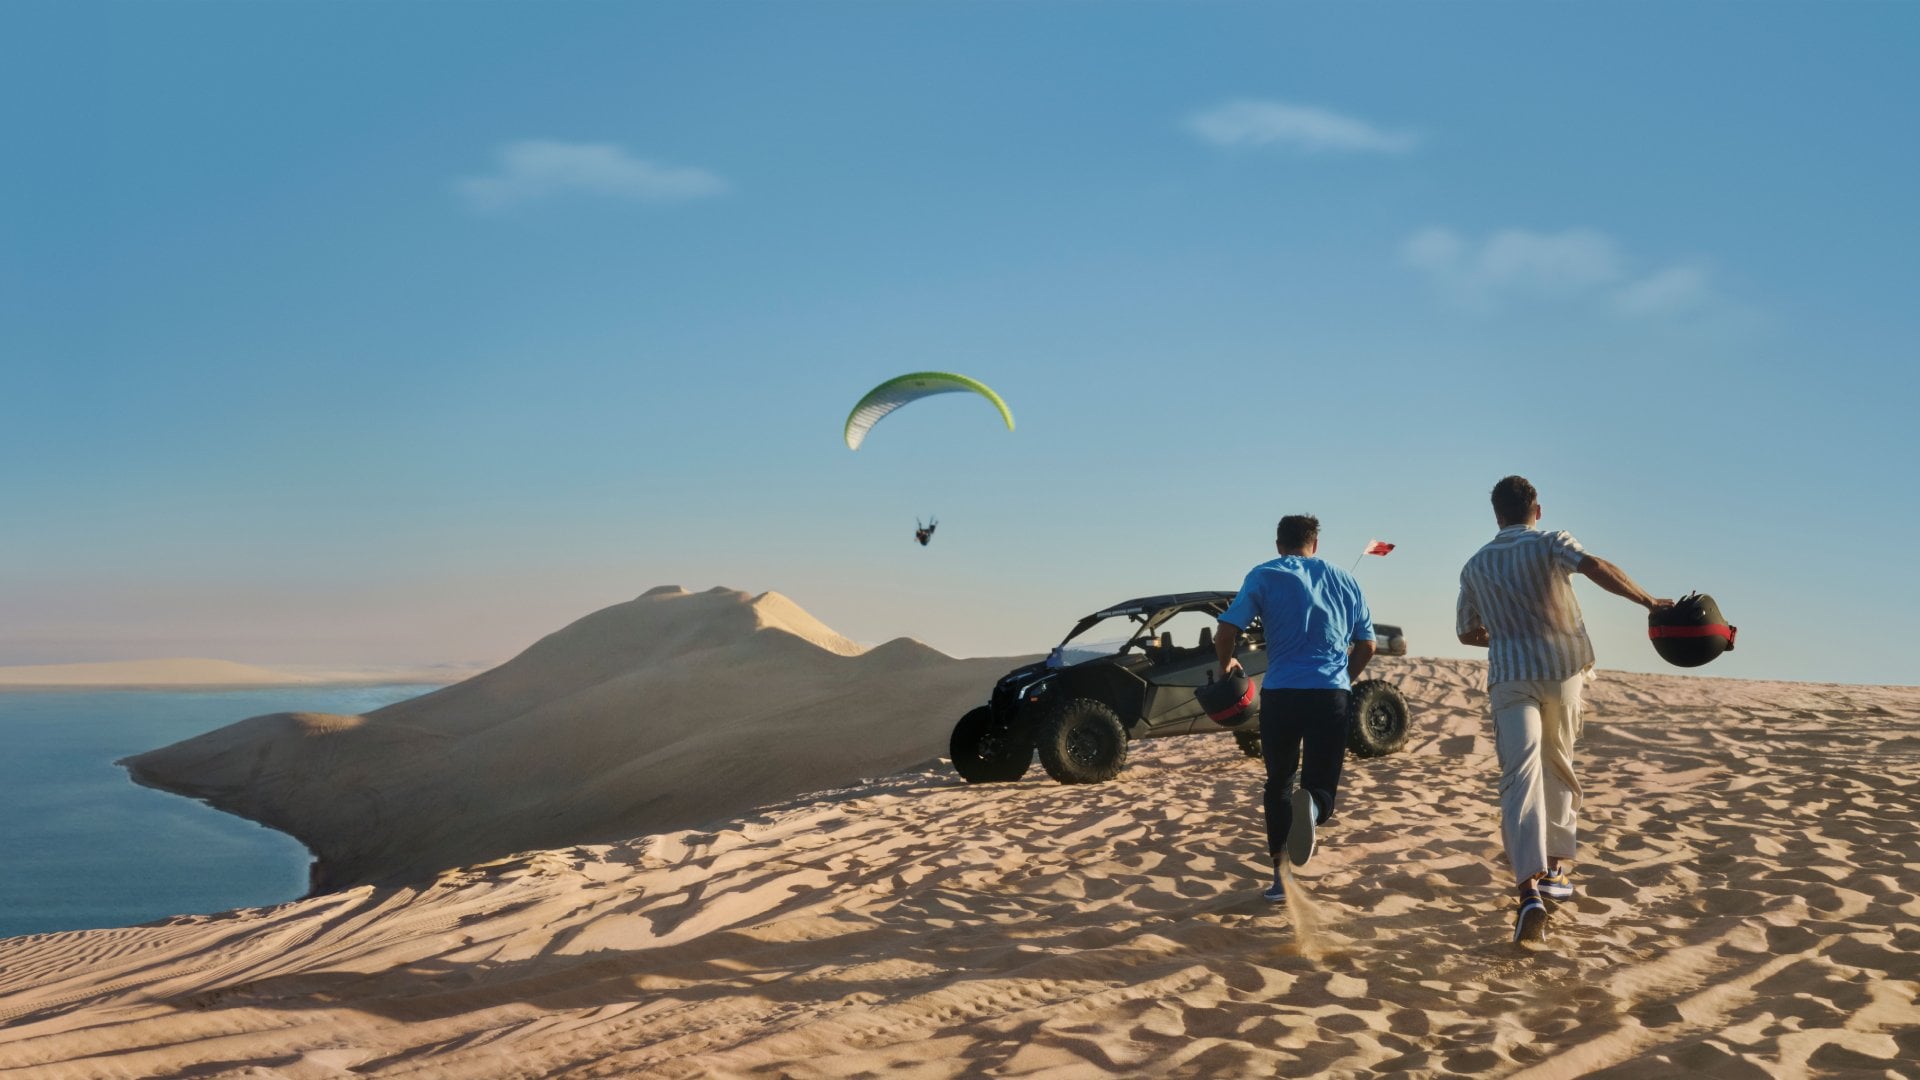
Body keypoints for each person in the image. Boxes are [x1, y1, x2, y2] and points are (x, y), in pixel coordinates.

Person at [1456, 475, 1671, 948]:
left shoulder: (1475, 566)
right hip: (1563, 670)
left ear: (1497, 515)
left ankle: (1528, 890)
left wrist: (1509, 632)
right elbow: (1593, 565)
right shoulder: (1552, 541)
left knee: (1520, 773)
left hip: (1510, 676)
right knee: (1558, 764)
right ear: (1537, 509)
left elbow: (1467, 633)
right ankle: (1555, 870)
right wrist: (1648, 601)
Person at [1215, 514, 1376, 904]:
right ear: (1314, 544)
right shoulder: (1344, 578)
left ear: (1278, 544)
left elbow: (1226, 630)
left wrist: (1226, 664)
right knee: (1321, 784)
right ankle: (1316, 808)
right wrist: (1345, 679)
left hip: (1281, 693)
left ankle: (1280, 877)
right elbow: (1367, 645)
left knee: (1278, 784)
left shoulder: (1264, 574)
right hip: (1329, 695)